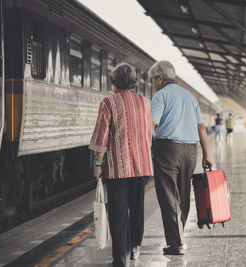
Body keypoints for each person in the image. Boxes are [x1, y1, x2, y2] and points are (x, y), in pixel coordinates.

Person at [89, 63, 153, 267]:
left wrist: (98, 163)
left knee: (118, 213)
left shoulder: (108, 102)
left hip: (117, 168)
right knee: (137, 209)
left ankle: (120, 259)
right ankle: (135, 248)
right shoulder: (145, 102)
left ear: (114, 83)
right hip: (141, 165)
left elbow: (102, 136)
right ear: (133, 82)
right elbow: (149, 134)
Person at [149, 61, 213, 256]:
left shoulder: (160, 96)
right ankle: (178, 236)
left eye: (153, 79)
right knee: (183, 194)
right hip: (191, 151)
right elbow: (201, 127)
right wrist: (207, 154)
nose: (153, 83)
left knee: (168, 195)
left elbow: (151, 124)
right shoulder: (190, 97)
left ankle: (177, 242)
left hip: (168, 149)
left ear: (160, 78)